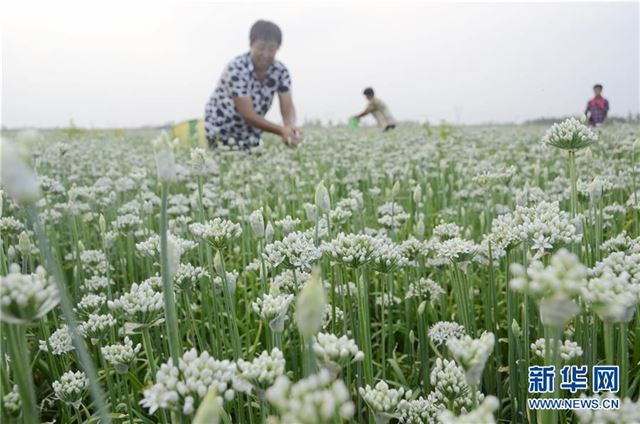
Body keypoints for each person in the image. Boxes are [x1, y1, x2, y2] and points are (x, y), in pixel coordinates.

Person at [204, 20, 302, 150]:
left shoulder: (280, 71)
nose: (266, 54)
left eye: (271, 49)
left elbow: (287, 106)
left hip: (251, 133)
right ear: (251, 45)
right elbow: (248, 114)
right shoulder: (237, 68)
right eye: (261, 48)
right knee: (222, 165)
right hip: (221, 129)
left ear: (278, 48)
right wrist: (281, 130)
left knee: (250, 166)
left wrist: (290, 126)